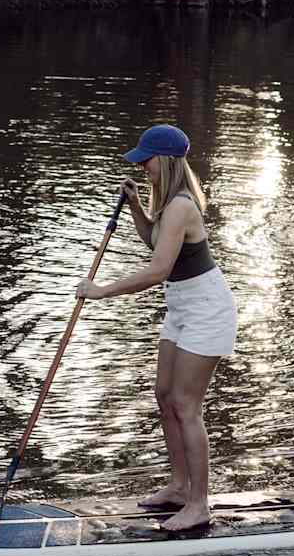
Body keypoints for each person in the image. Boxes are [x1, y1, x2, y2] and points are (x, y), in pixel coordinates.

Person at [75, 123, 236, 533]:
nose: (142, 166)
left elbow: (157, 270)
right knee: (164, 396)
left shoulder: (182, 205)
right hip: (181, 307)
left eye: (146, 160)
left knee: (185, 405)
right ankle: (180, 487)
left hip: (206, 310)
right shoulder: (167, 204)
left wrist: (100, 291)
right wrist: (135, 206)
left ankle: (199, 504)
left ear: (163, 160)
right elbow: (155, 240)